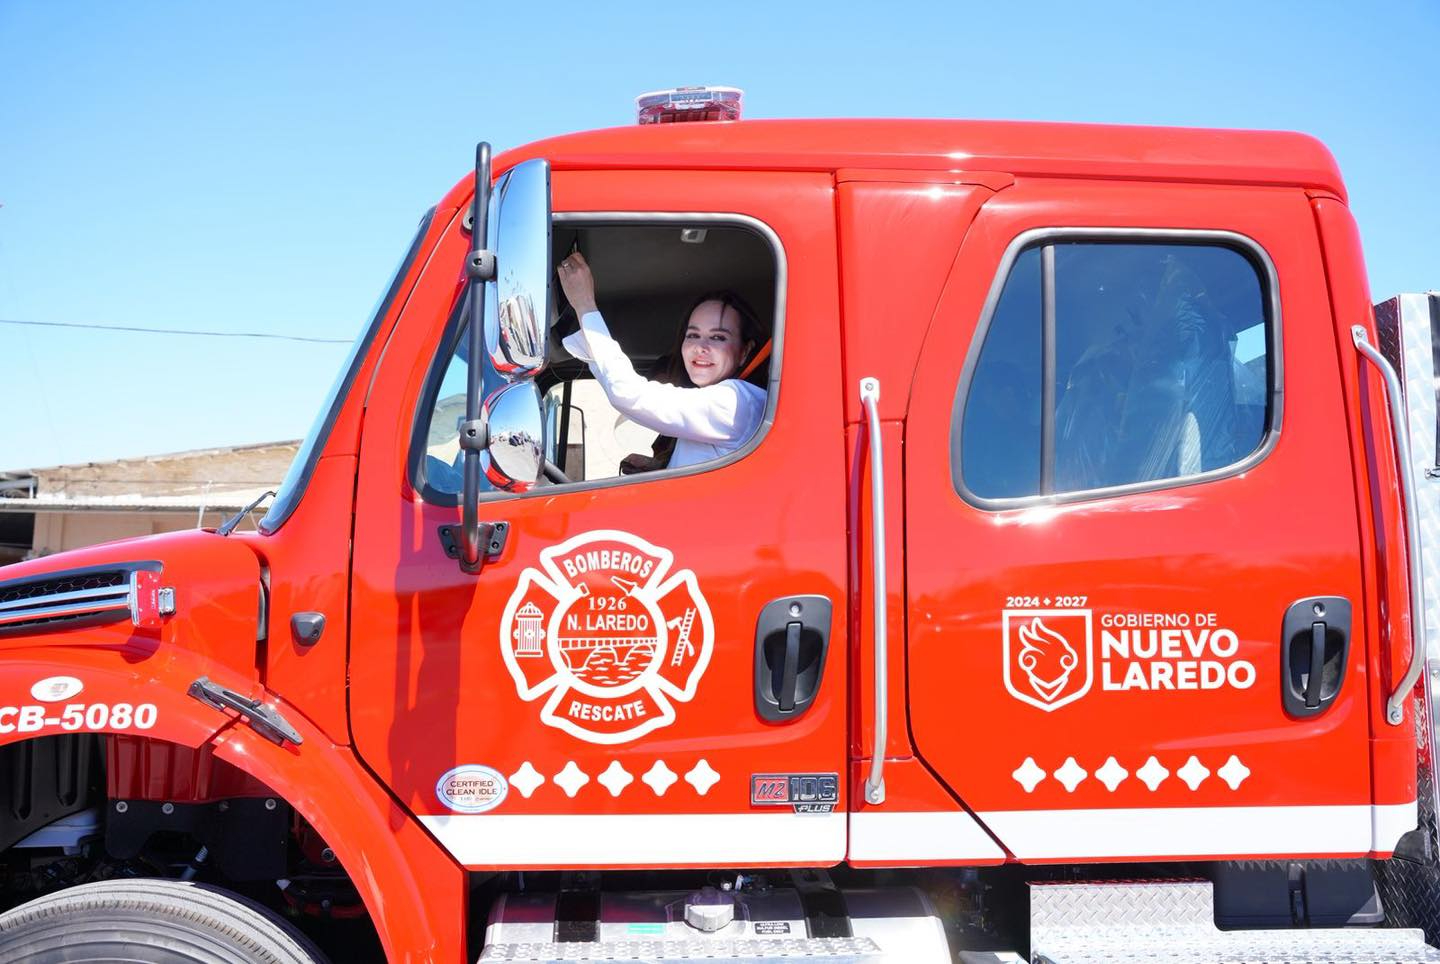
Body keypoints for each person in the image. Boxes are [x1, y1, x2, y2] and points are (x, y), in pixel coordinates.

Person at [556, 252, 767, 470]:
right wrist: (659, 467)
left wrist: (584, 304)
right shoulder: (718, 405)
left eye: (718, 337)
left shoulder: (736, 403)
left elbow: (630, 395)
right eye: (693, 335)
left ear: (745, 351)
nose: (700, 347)